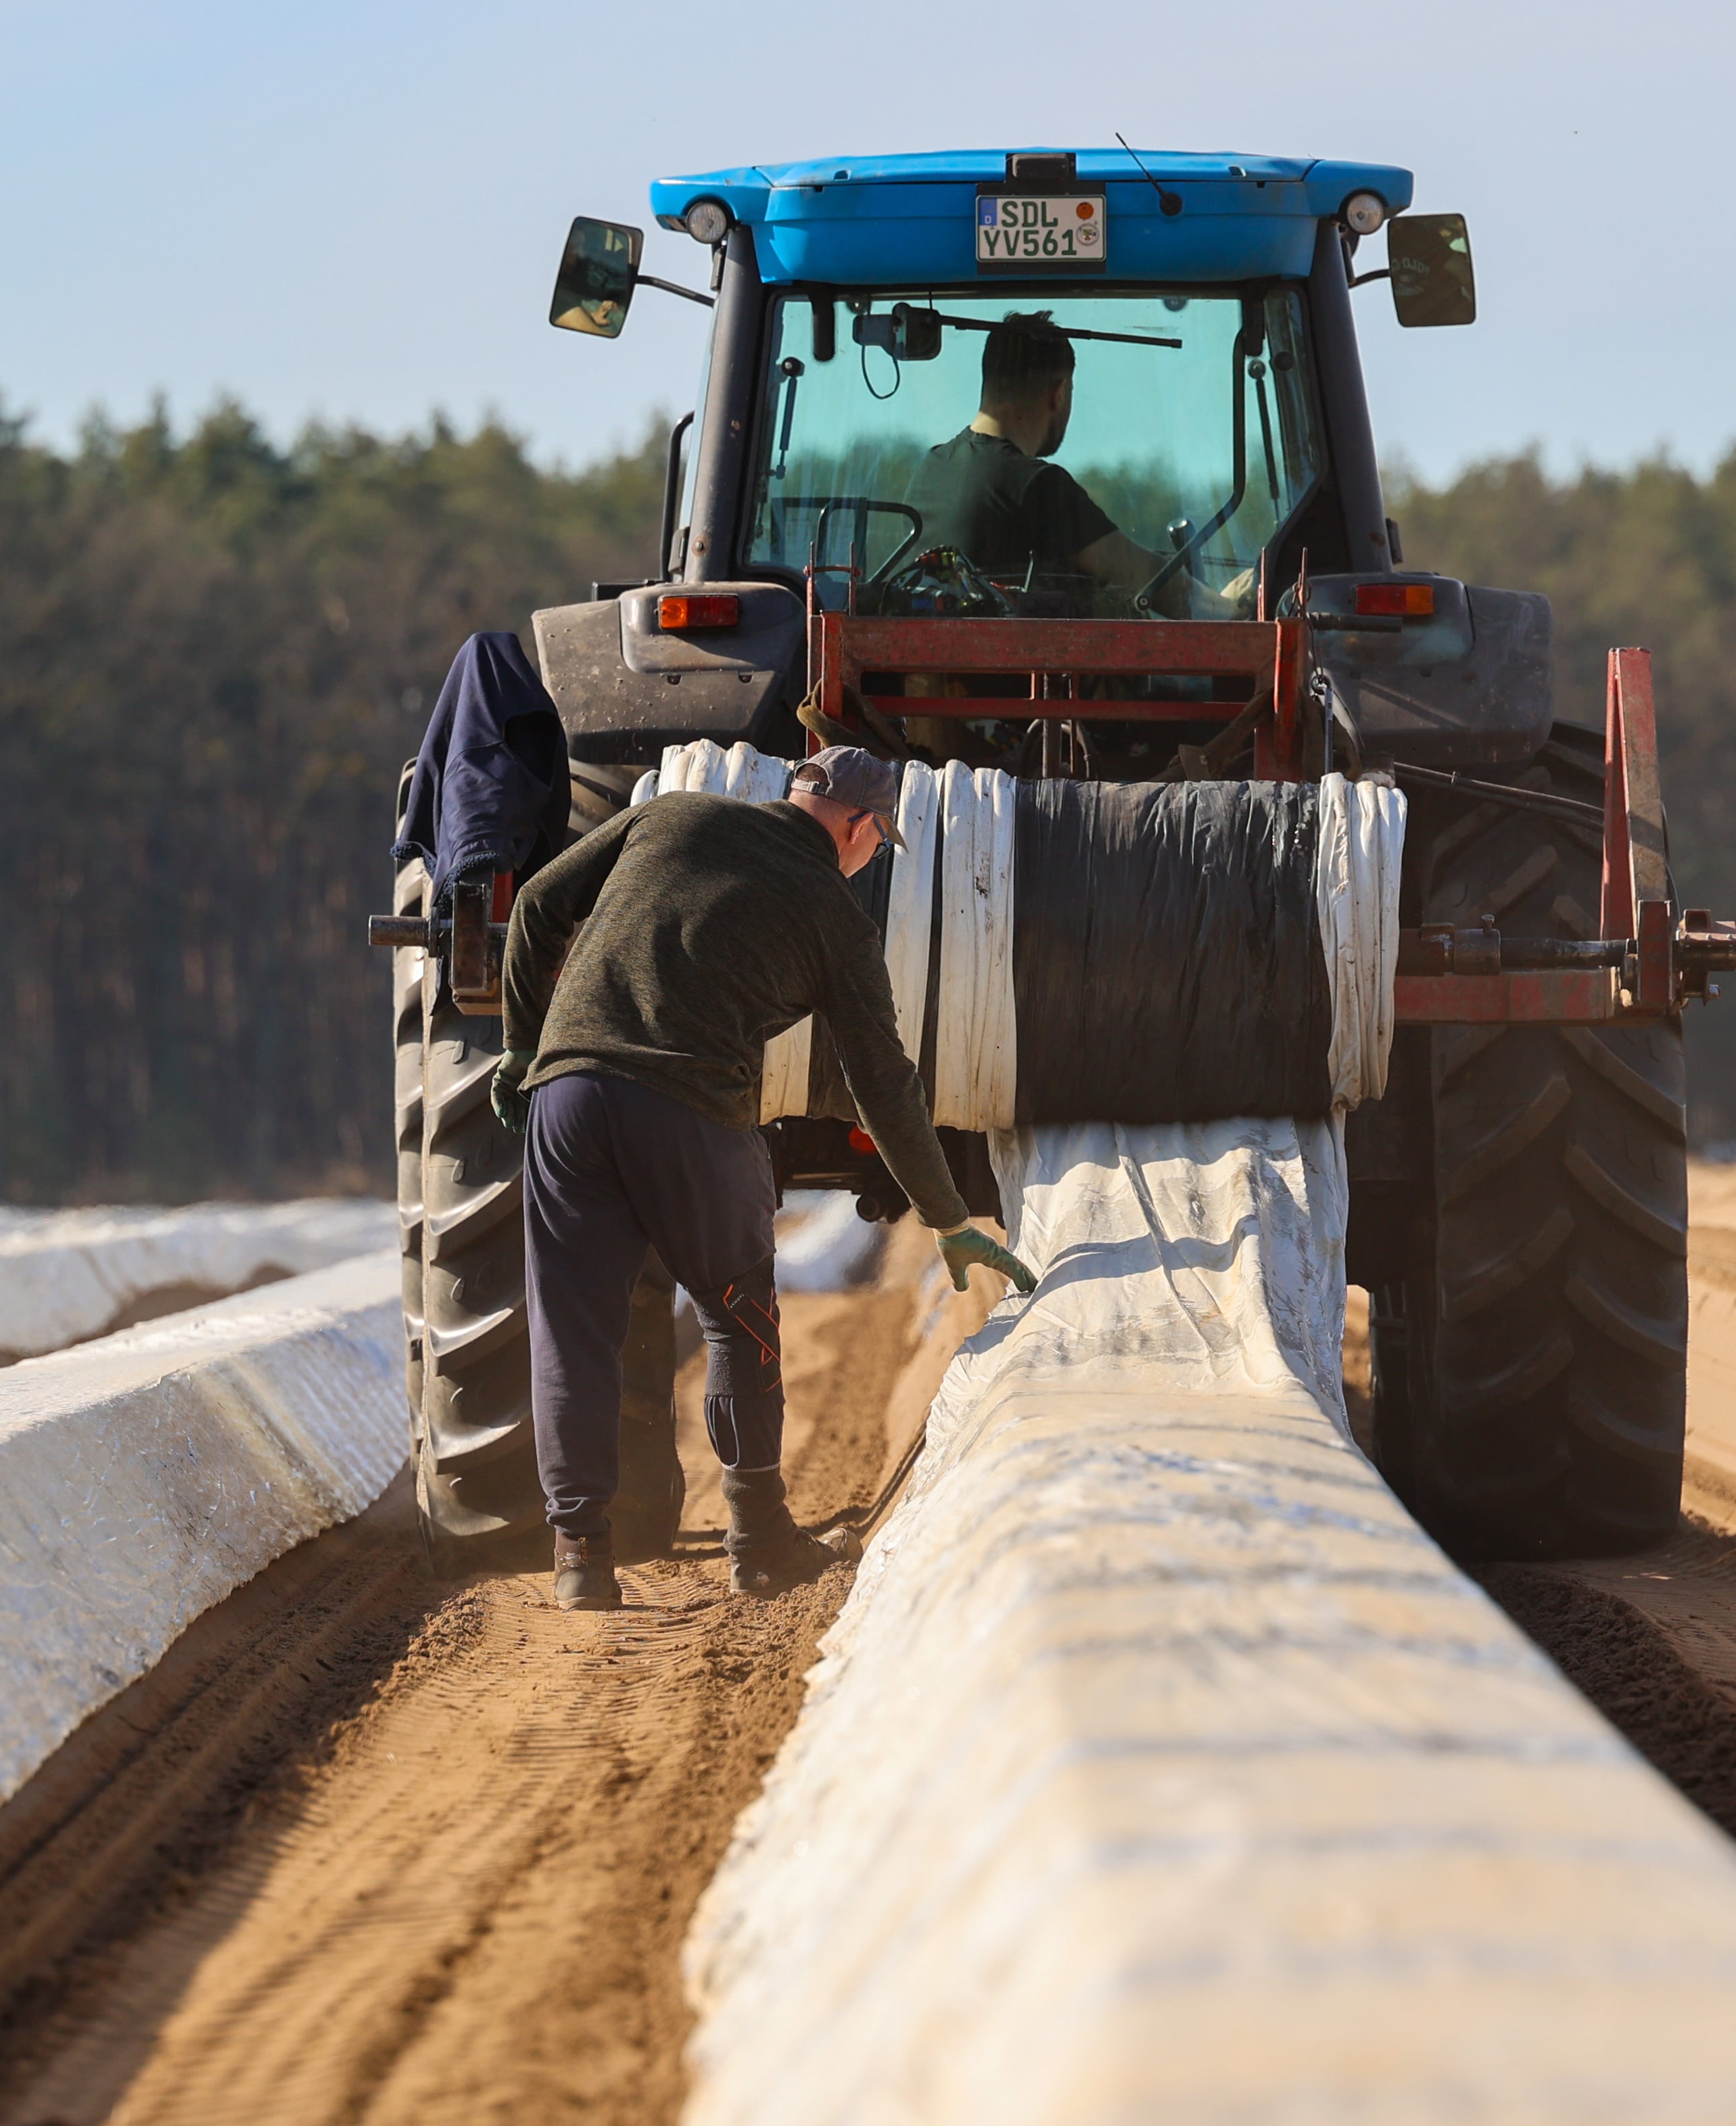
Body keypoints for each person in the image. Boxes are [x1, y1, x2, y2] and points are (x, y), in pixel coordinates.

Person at [490, 745, 1039, 1613]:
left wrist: (524, 1046)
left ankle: (580, 1558)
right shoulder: (833, 914)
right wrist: (946, 1215)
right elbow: (883, 1085)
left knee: (572, 1329)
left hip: (568, 1097)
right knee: (735, 1316)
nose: (870, 857)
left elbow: (532, 906)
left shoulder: (671, 816)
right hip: (692, 1110)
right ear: (859, 826)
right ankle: (758, 1541)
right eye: (876, 841)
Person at [906, 311, 1208, 618]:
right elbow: (1150, 579)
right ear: (1059, 394)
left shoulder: (931, 469)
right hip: (1008, 663)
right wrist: (1227, 605)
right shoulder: (1035, 485)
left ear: (988, 382)